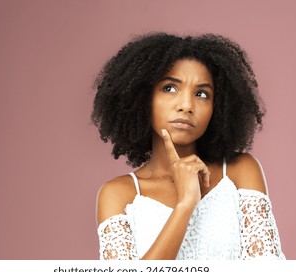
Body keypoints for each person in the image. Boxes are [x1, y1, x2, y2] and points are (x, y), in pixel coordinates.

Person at [91, 32, 285, 260]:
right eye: (170, 88)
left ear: (218, 107)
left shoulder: (239, 172)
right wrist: (185, 204)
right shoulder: (118, 195)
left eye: (202, 94)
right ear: (144, 97)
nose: (186, 105)